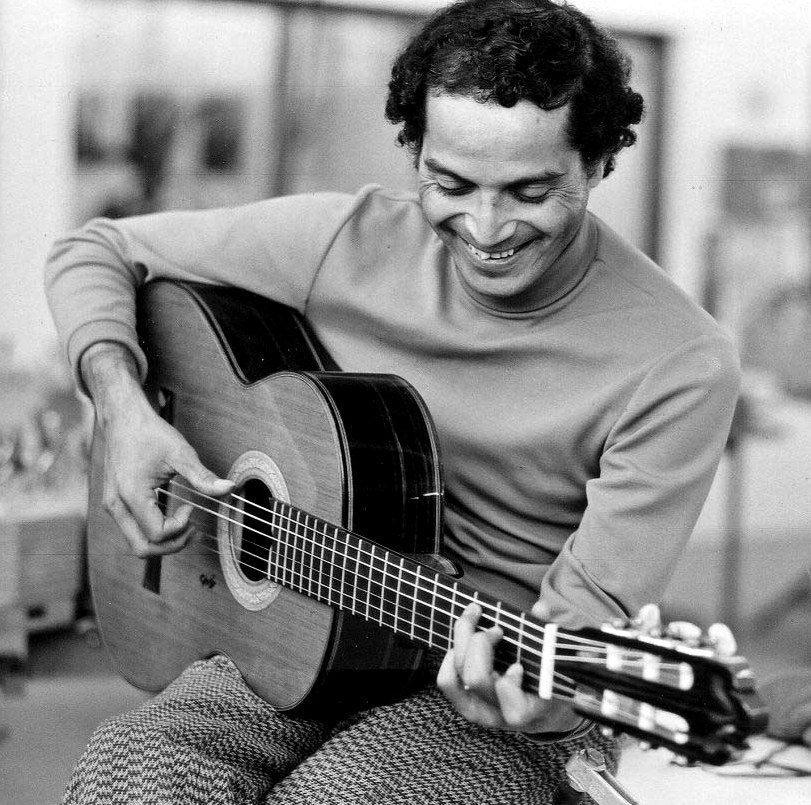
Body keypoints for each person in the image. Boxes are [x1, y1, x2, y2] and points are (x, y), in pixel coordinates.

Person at [45, 1, 741, 802]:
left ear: (599, 161)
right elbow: (96, 249)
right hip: (292, 626)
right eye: (450, 183)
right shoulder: (347, 239)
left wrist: (548, 705)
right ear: (412, 150)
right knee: (132, 766)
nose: (486, 227)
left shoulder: (678, 360)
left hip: (486, 685)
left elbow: (581, 628)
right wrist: (124, 409)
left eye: (530, 190)